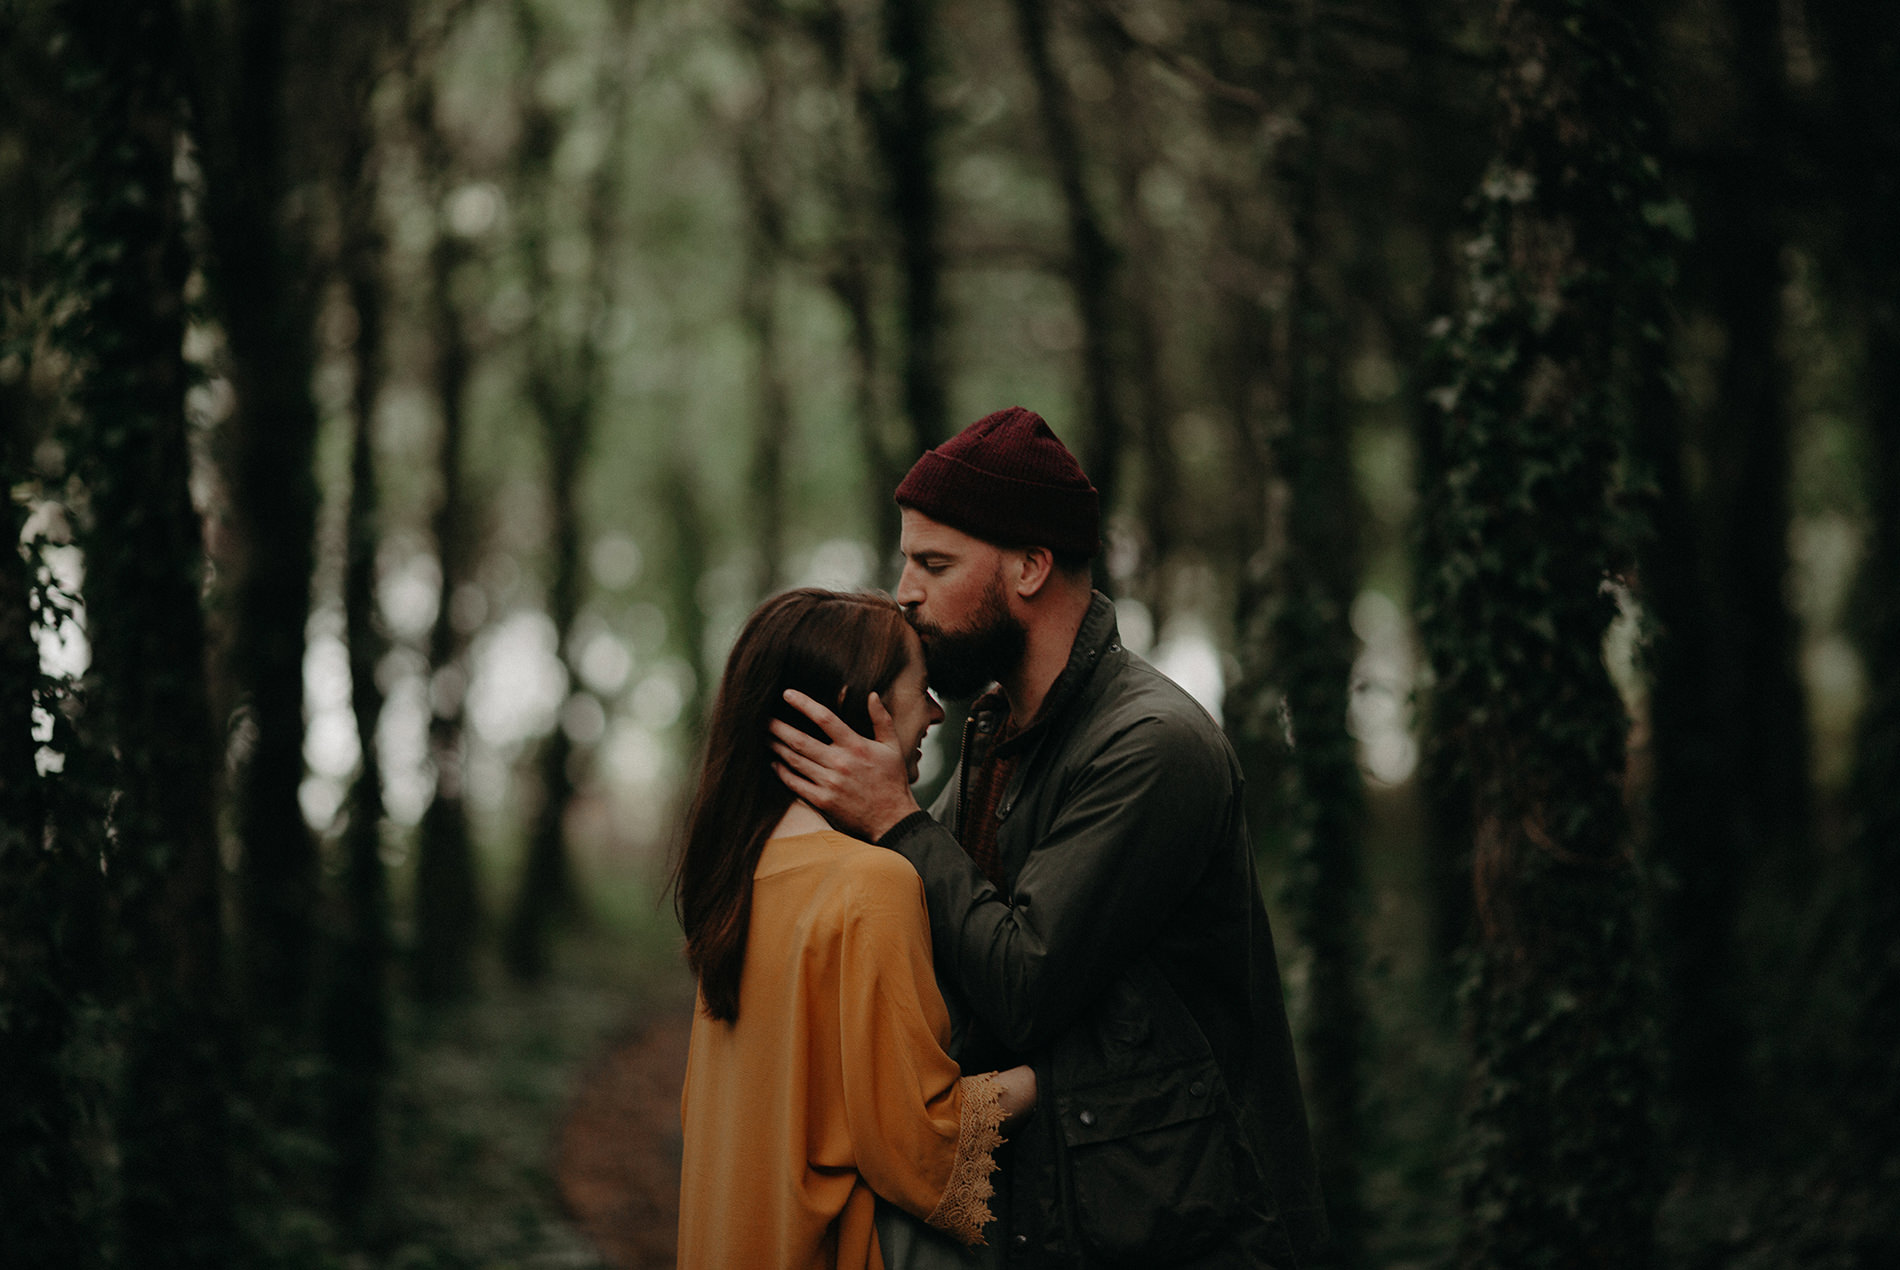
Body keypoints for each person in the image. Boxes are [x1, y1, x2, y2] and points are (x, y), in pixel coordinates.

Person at [770, 408, 1326, 1268]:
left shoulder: (1152, 744)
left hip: (1188, 1233)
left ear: (1031, 566)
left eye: (935, 562)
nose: (905, 590)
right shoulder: (1001, 727)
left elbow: (1022, 979)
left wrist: (896, 817)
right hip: (1074, 1215)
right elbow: (933, 932)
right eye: (907, 560)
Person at [673, 588, 1038, 1270]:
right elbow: (922, 1143)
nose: (935, 711)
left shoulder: (738, 875)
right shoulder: (871, 884)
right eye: (921, 688)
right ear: (860, 701)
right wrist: (1057, 1077)